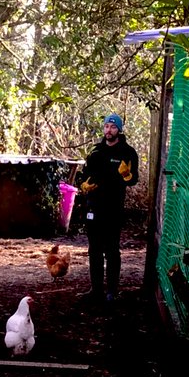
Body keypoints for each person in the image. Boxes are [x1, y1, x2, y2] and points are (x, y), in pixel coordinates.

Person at [79, 114, 139, 304]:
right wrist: (83, 186)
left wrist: (127, 175)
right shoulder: (95, 151)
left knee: (112, 250)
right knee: (94, 249)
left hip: (114, 208)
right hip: (93, 206)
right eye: (106, 126)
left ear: (119, 130)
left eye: (113, 127)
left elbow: (134, 180)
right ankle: (95, 290)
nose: (108, 130)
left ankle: (112, 291)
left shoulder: (128, 152)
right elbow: (84, 174)